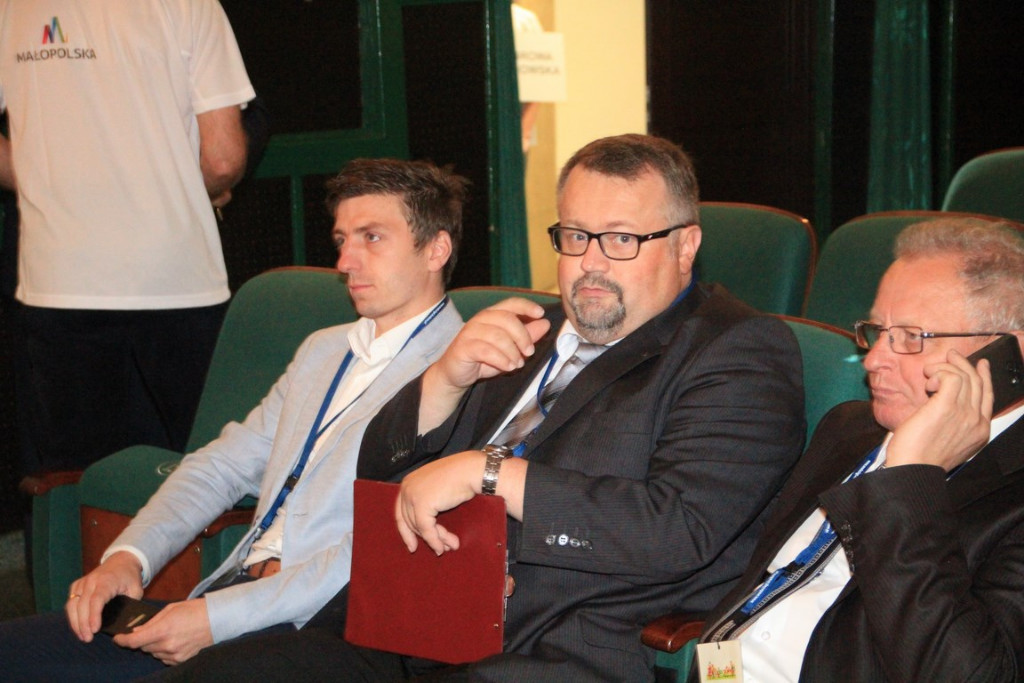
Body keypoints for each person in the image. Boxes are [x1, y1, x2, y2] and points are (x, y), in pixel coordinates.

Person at [160, 133, 807, 682]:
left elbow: (678, 530)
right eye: (575, 236)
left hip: (550, 650)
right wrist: (444, 380)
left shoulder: (736, 350)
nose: (589, 264)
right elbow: (380, 474)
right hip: (405, 620)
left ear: (685, 245)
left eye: (619, 239)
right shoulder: (523, 330)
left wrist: (489, 471)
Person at [0, 158, 469, 681]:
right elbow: (220, 466)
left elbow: (376, 550)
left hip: (314, 628)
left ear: (436, 249)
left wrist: (215, 618)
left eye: (372, 237)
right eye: (341, 239)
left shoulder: (461, 373)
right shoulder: (323, 351)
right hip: (231, 595)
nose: (345, 261)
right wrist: (129, 557)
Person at [694, 218, 1024, 682]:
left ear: (1007, 354)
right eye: (877, 331)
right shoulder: (850, 429)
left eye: (911, 337)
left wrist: (910, 479)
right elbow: (758, 586)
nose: (873, 359)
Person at [0, 0, 253, 478]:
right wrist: (195, 188)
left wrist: (43, 179)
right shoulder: (190, 5)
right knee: (214, 475)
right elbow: (223, 159)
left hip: (60, 279)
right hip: (176, 276)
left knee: (80, 484)